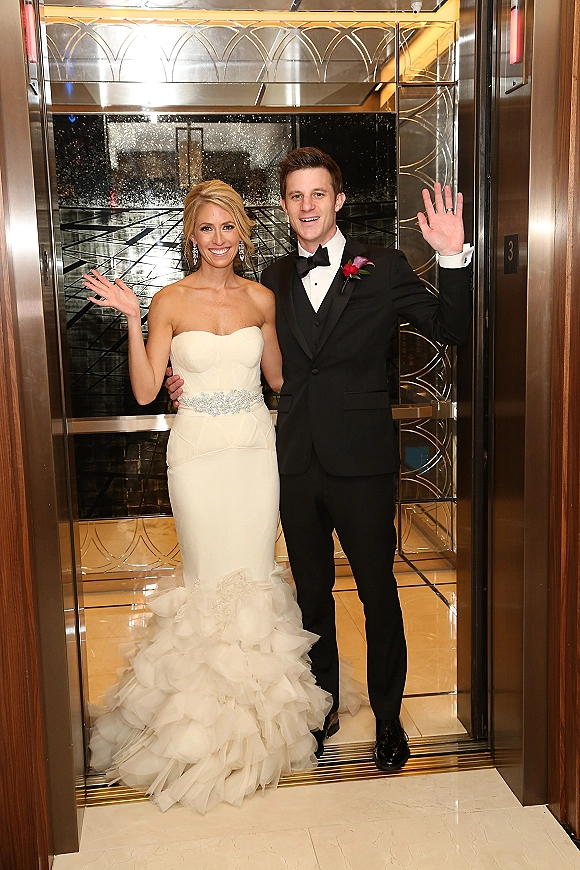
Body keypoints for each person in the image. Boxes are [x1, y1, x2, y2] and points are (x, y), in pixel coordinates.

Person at [167, 148, 472, 772]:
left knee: (378, 594)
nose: (307, 206)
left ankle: (389, 719)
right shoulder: (271, 278)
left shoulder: (381, 266)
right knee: (311, 596)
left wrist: (451, 257)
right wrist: (186, 381)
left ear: (339, 200)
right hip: (294, 463)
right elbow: (250, 354)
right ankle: (321, 706)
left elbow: (454, 330)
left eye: (318, 194)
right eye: (295, 196)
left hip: (362, 461)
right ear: (285, 206)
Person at [83, 179, 333, 814]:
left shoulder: (261, 298)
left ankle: (260, 725)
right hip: (196, 455)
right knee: (206, 580)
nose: (218, 239)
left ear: (241, 232)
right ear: (191, 236)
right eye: (206, 228)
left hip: (254, 453)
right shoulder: (169, 300)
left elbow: (281, 378)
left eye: (228, 227)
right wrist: (133, 318)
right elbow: (146, 391)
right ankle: (197, 728)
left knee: (252, 575)